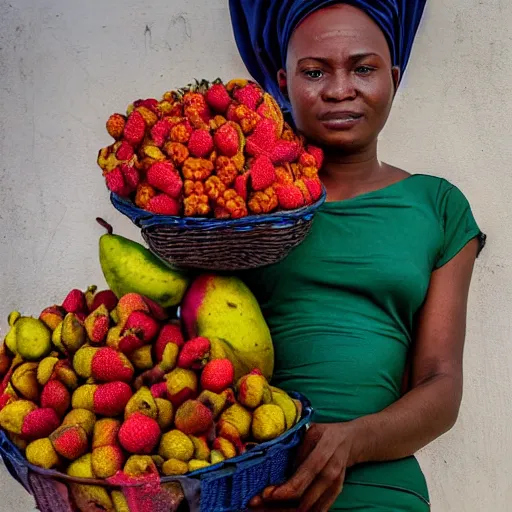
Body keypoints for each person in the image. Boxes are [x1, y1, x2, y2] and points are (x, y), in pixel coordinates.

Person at [229, 1, 486, 511]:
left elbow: (441, 380)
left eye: (363, 69)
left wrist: (351, 442)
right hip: (245, 486)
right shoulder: (237, 201)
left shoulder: (438, 207)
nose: (340, 89)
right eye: (315, 71)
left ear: (392, 78)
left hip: (382, 491)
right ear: (283, 81)